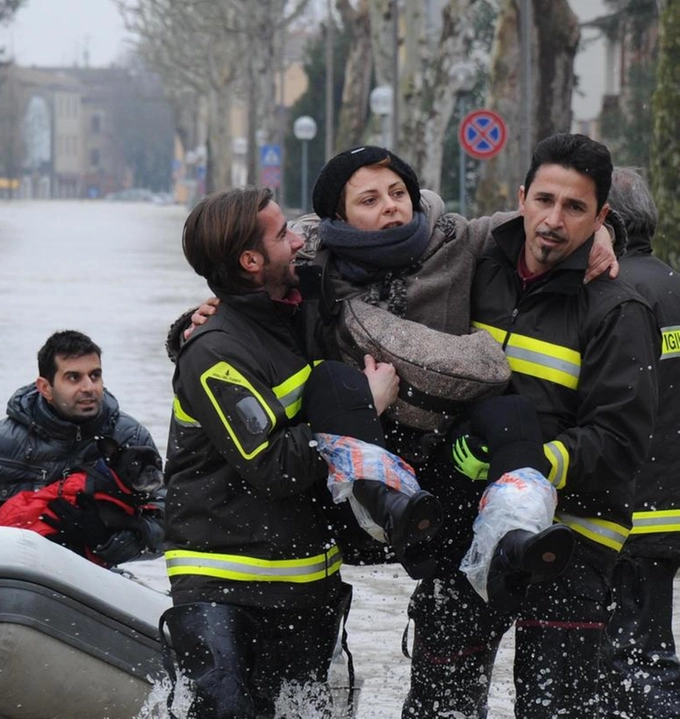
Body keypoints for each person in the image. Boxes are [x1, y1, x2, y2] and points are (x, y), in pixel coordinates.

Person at [404, 134, 658, 717]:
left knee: (554, 709)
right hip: (466, 529)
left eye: (574, 208)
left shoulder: (619, 310)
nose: (553, 219)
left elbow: (620, 443)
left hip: (571, 544)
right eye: (544, 199)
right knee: (437, 706)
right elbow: (362, 270)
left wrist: (527, 467)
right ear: (520, 197)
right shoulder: (473, 269)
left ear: (602, 219)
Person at [163, 185, 405, 717]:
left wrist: (606, 232)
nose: (299, 241)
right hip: (225, 592)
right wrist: (362, 406)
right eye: (282, 234)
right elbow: (275, 467)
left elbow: (429, 230)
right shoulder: (213, 350)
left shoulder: (298, 314)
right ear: (251, 261)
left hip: (305, 585)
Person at [0, 330, 164, 566]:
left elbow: (168, 529)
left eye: (95, 375)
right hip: (13, 574)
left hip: (99, 577)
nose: (89, 387)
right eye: (74, 377)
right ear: (45, 387)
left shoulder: (132, 438)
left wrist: (104, 540)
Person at [600, 167, 680, 717]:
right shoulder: (671, 283)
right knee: (649, 650)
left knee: (628, 661)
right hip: (668, 509)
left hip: (633, 512)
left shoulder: (616, 294)